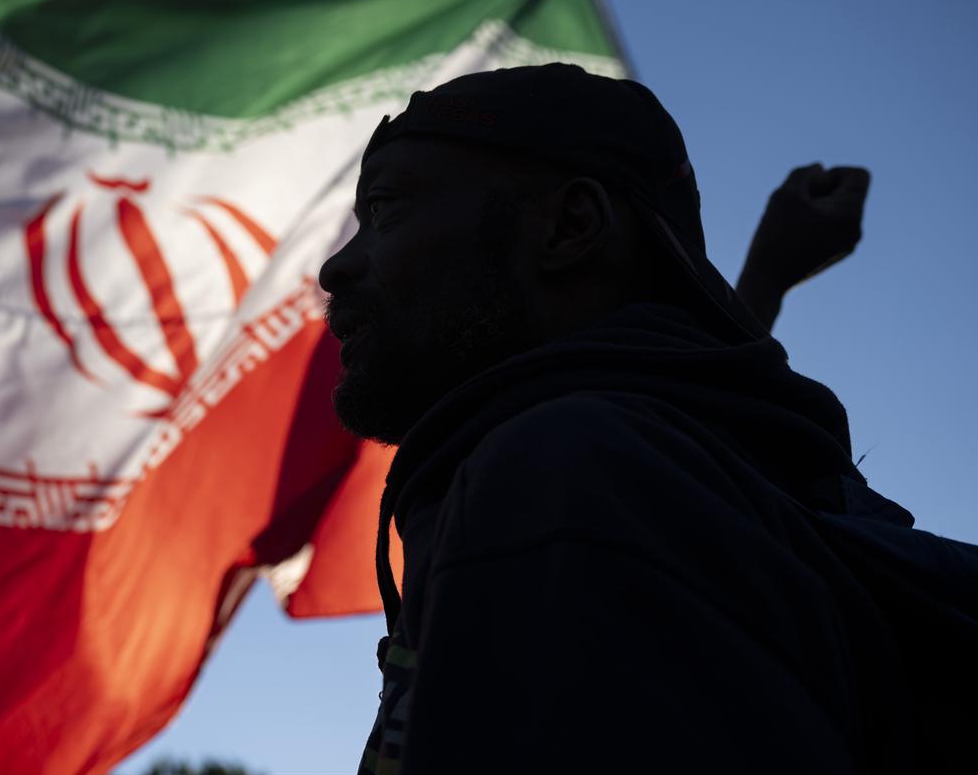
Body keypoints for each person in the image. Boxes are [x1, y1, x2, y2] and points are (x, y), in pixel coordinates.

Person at [318, 64, 925, 773]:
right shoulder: (672, 474)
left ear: (571, 225)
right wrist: (763, 277)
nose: (336, 268)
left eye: (385, 210)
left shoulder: (561, 481)